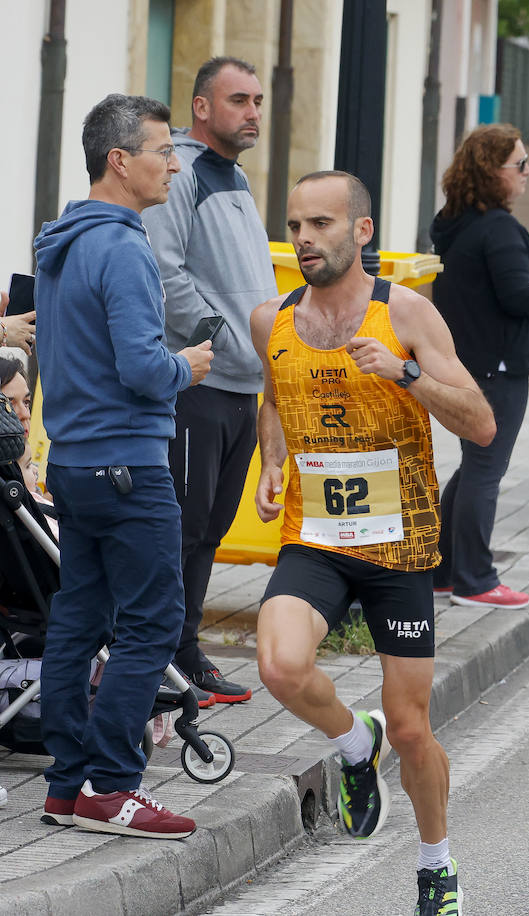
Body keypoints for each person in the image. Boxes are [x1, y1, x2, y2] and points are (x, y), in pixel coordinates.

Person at [252, 170, 495, 915]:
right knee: (278, 665)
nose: (304, 239)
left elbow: (481, 423)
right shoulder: (273, 319)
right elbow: (273, 391)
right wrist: (273, 459)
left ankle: (436, 868)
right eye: (296, 225)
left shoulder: (407, 314)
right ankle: (357, 743)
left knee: (416, 730)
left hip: (399, 543)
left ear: (362, 231)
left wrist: (406, 373)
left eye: (321, 224)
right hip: (317, 536)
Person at [33, 93, 214, 839]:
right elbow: (143, 369)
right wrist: (189, 365)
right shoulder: (125, 245)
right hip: (130, 465)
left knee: (76, 623)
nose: (174, 163)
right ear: (120, 160)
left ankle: (66, 787)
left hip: (74, 463)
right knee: (152, 624)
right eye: (162, 149)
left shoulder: (59, 242)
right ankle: (113, 787)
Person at [141, 56, 276, 705]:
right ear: (201, 107)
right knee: (185, 528)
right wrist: (222, 338)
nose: (253, 111)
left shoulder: (237, 176)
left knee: (213, 527)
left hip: (242, 386)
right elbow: (165, 274)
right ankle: (170, 657)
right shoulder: (182, 172)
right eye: (239, 100)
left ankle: (185, 648)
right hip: (198, 384)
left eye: (257, 99)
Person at [430, 125, 529, 608]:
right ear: (492, 172)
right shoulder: (498, 228)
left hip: (470, 358)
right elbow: (517, 298)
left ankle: (444, 571)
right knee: (486, 468)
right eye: (519, 165)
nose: (528, 172)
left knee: (475, 464)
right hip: (497, 364)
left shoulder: (455, 221)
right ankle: (475, 579)